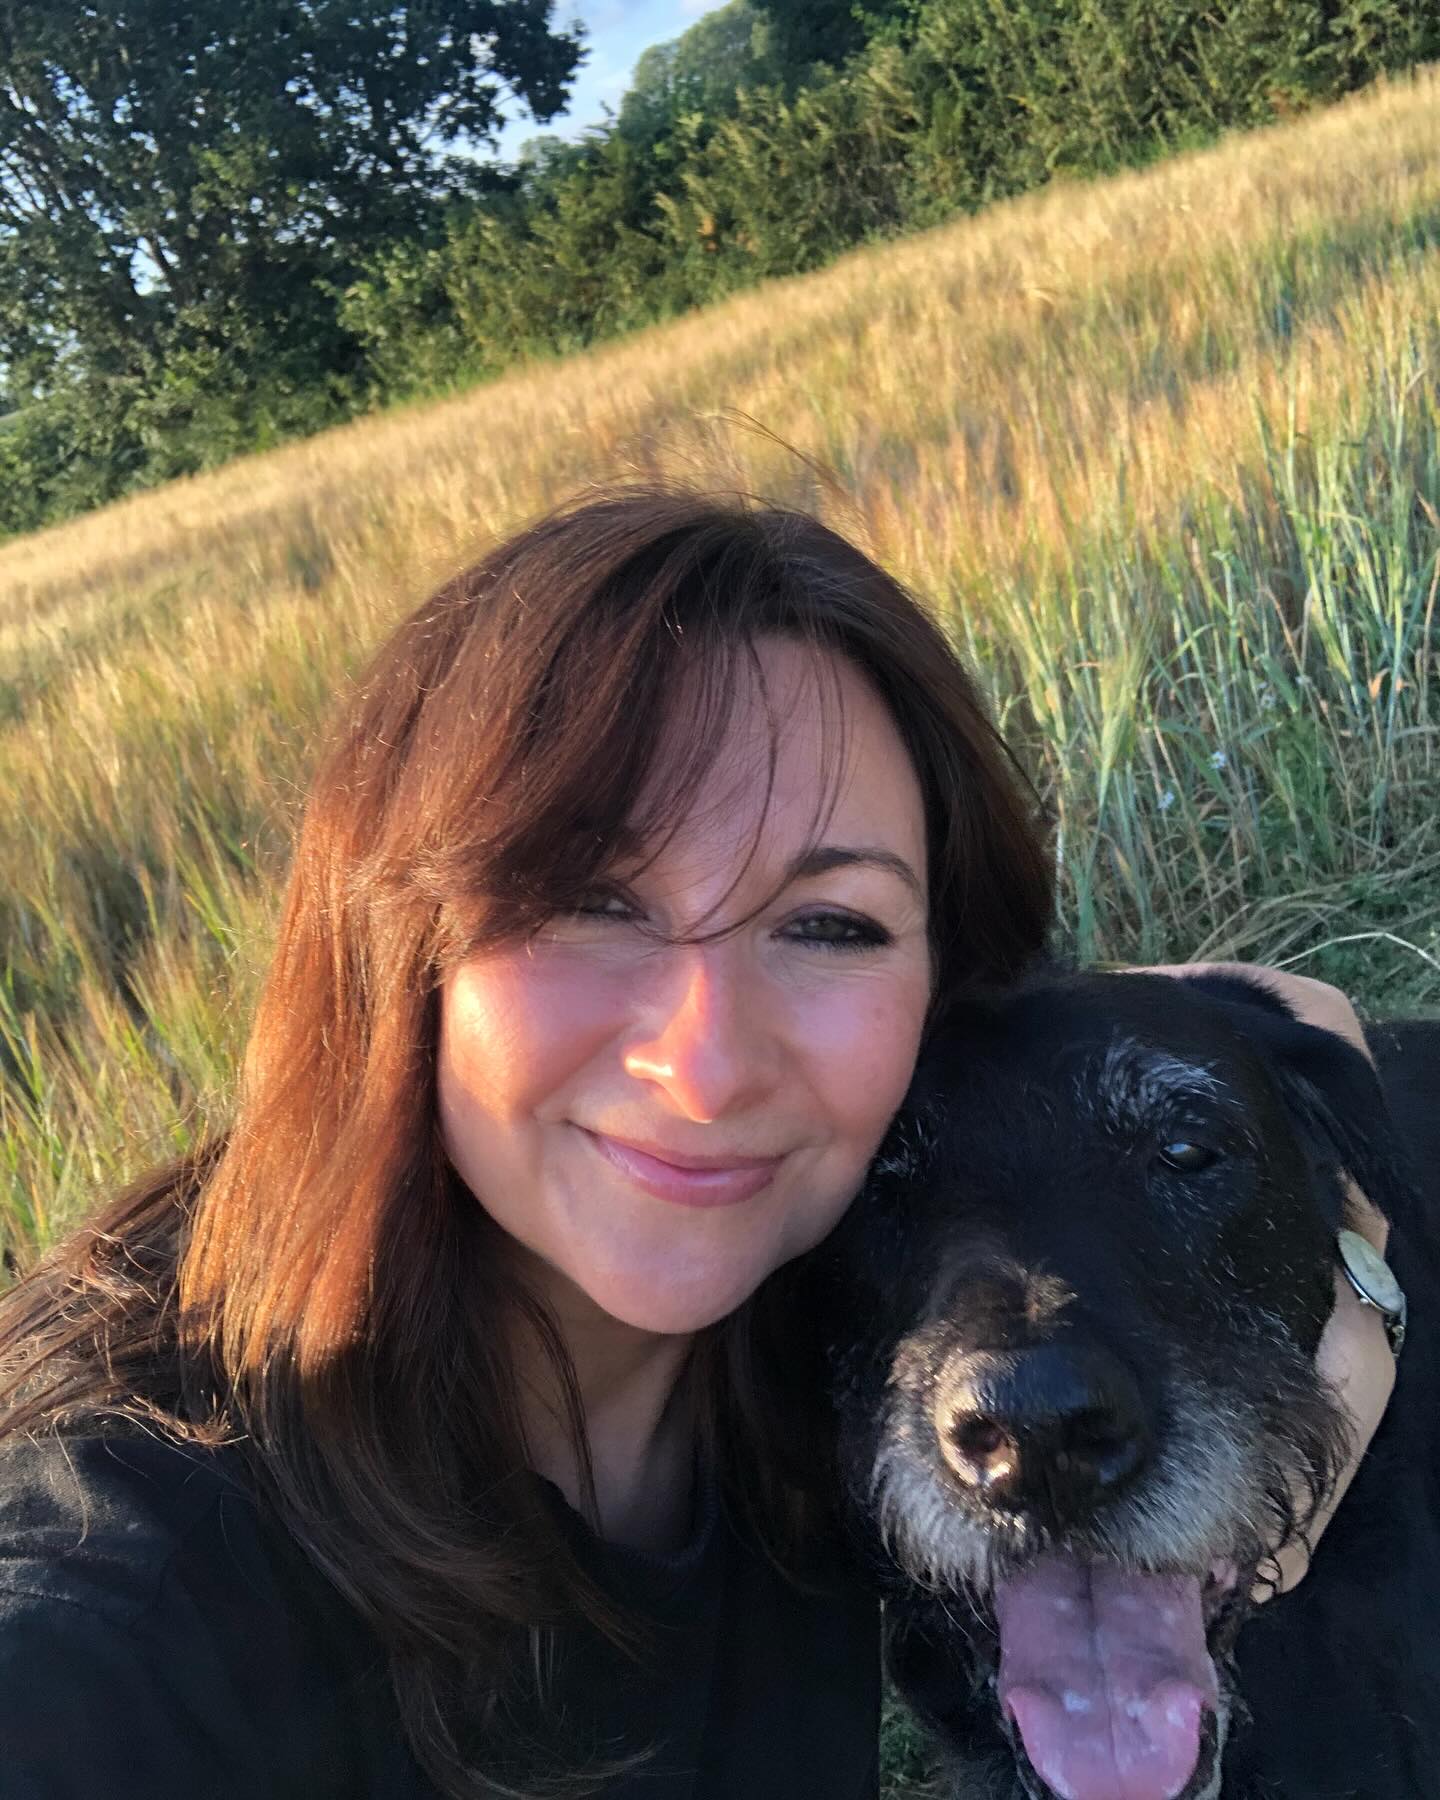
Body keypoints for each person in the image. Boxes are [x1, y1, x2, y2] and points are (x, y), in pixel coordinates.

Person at [0, 485, 1396, 1799]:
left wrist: (1365, 1285)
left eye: (830, 924)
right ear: (390, 947)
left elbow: (1268, 1018)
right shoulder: (125, 1595)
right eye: (588, 905)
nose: (710, 1065)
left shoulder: (812, 1307)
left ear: (941, 987)